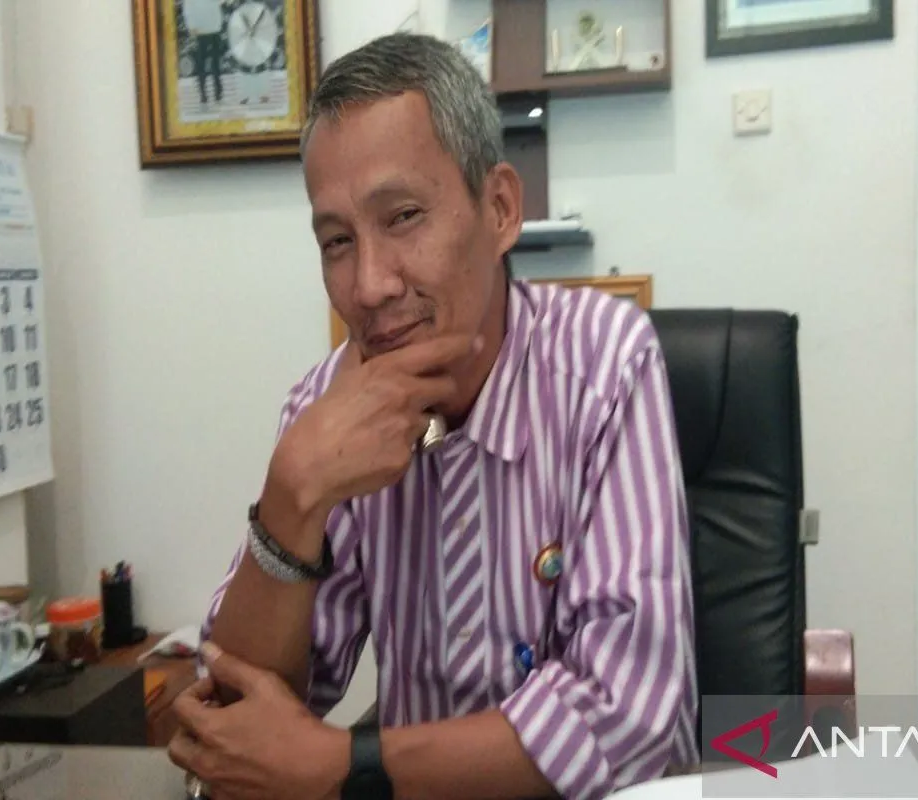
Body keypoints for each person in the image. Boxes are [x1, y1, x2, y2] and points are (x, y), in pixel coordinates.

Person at [167, 32, 699, 800]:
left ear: (501, 209)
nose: (370, 285)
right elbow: (230, 721)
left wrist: (338, 764)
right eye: (337, 241)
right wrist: (292, 497)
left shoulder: (604, 364)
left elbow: (629, 718)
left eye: (405, 216)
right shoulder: (327, 409)